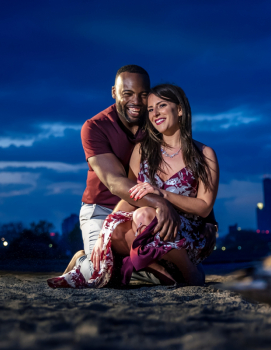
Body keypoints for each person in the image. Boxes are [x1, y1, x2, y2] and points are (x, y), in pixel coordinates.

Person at [48, 83, 218, 288]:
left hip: (183, 231)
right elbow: (131, 196)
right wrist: (105, 232)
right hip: (146, 227)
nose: (155, 113)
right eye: (151, 109)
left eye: (162, 105)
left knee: (144, 215)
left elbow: (204, 206)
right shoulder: (142, 151)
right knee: (116, 231)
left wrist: (161, 195)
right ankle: (152, 265)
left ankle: (187, 269)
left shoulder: (205, 154)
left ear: (180, 109)